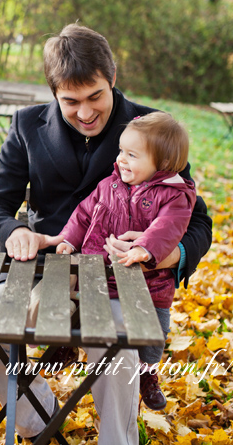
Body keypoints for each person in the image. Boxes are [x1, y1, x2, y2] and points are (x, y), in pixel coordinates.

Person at [0, 23, 212, 444]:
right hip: (44, 267)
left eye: (95, 96)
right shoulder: (27, 126)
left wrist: (170, 256)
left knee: (116, 337)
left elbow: (197, 220)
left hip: (120, 280)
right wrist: (11, 232)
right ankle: (36, 414)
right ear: (54, 93)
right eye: (70, 101)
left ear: (112, 80)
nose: (84, 112)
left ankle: (118, 439)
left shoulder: (151, 129)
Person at [56, 112, 197, 411]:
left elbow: (168, 226)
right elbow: (83, 213)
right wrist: (68, 239)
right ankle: (64, 344)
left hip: (150, 284)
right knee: (74, 302)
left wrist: (146, 249)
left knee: (153, 332)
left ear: (163, 163)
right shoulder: (111, 184)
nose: (121, 159)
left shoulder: (175, 194)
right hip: (99, 274)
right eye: (121, 151)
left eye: (132, 155)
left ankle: (147, 373)